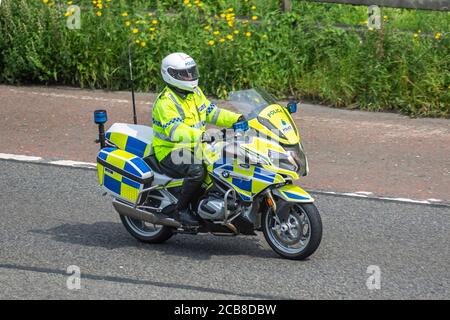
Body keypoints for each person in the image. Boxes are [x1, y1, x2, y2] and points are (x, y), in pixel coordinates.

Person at [151, 52, 244, 226]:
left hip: (197, 145)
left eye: (191, 72)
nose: (190, 76)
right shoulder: (166, 102)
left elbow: (212, 112)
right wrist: (202, 135)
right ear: (170, 74)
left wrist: (237, 119)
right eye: (184, 74)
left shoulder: (194, 93)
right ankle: (181, 210)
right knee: (197, 170)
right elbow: (176, 131)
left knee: (228, 161)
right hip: (170, 150)